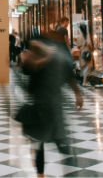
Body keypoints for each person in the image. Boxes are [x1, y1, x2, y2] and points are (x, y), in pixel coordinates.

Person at [20, 37, 83, 177]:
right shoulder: (41, 58)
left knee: (52, 142)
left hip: (50, 106)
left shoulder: (50, 57)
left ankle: (46, 174)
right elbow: (28, 68)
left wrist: (78, 94)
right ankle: (42, 174)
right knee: (47, 143)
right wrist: (78, 94)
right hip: (45, 106)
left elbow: (68, 74)